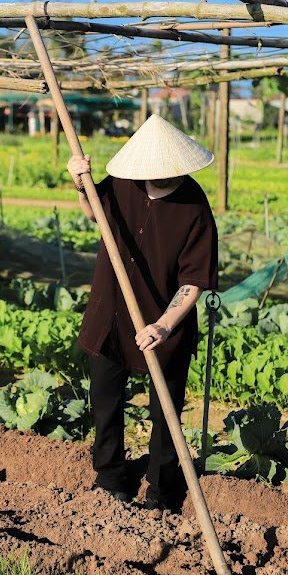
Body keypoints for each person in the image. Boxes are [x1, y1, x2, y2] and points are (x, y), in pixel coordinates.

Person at [68, 114, 218, 512]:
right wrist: (81, 184)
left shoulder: (195, 208)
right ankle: (111, 476)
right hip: (110, 313)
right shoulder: (122, 183)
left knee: (164, 411)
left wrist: (165, 326)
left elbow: (193, 282)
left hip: (163, 323)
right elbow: (93, 213)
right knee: (104, 399)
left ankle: (163, 491)